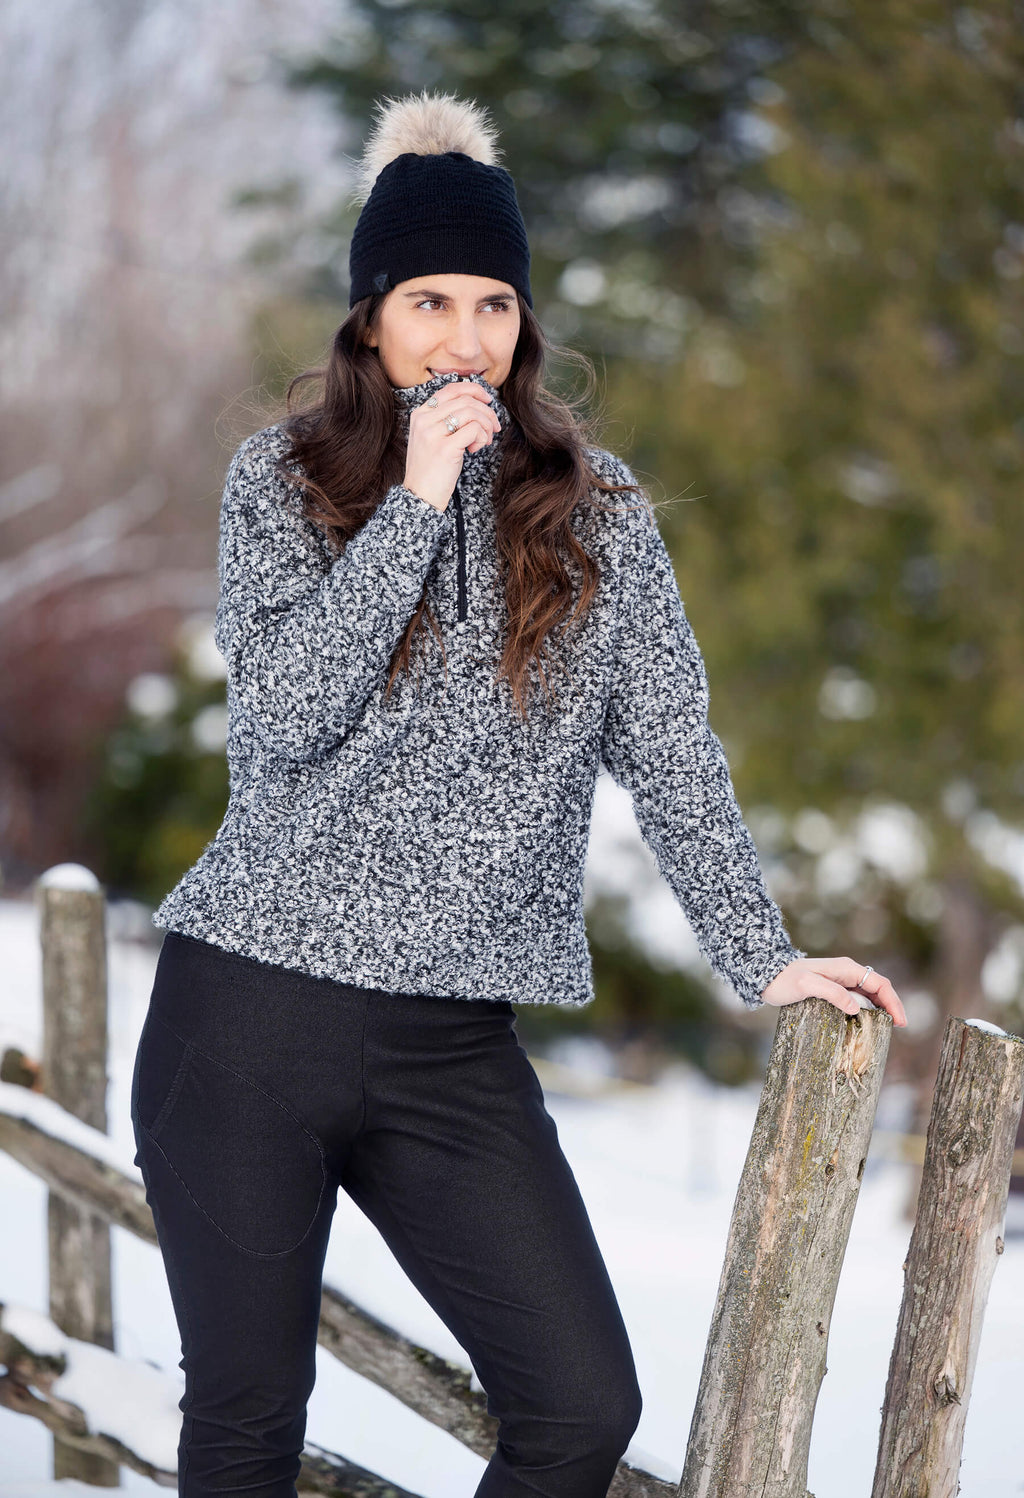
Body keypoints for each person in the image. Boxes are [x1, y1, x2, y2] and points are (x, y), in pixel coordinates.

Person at [130, 91, 906, 1498]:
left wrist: (764, 954)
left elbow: (670, 745)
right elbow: (288, 716)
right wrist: (416, 505)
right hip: (246, 1019)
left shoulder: (597, 513)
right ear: (369, 317)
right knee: (245, 1417)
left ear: (527, 323)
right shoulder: (283, 480)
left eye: (494, 304)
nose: (464, 336)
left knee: (579, 1404)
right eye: (428, 300)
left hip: (451, 1050)